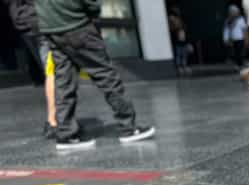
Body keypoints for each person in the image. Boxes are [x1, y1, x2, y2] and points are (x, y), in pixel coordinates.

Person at [35, 0, 154, 150]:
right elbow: (91, 4)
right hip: (76, 25)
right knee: (106, 76)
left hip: (51, 29)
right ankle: (129, 127)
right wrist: (93, 11)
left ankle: (65, 134)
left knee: (64, 82)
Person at [3, 0, 56, 138]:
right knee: (55, 70)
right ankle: (54, 122)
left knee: (51, 70)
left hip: (25, 21)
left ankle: (56, 120)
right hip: (40, 20)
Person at [223, 5, 248, 69]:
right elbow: (226, 30)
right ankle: (237, 65)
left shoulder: (241, 19)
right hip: (232, 39)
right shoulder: (228, 20)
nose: (232, 13)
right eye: (231, 12)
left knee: (240, 53)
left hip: (240, 39)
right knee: (234, 53)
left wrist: (246, 39)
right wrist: (226, 39)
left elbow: (244, 29)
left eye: (234, 11)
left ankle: (241, 65)